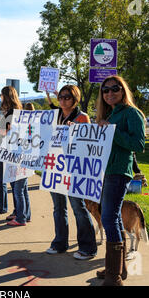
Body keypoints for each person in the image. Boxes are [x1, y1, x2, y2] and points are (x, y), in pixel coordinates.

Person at [95, 75, 146, 286]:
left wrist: (112, 131)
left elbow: (138, 144)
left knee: (107, 218)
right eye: (105, 90)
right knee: (113, 217)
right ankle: (117, 269)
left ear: (123, 89)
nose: (109, 93)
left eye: (114, 88)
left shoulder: (131, 113)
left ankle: (113, 276)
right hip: (105, 171)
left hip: (119, 172)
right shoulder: (111, 114)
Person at [44, 85, 97, 260]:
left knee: (78, 207)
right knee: (58, 207)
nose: (63, 100)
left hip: (74, 169)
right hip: (55, 167)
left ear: (75, 99)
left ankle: (88, 247)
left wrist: (76, 131)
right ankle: (60, 243)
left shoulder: (82, 117)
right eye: (61, 97)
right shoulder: (54, 116)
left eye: (67, 97)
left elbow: (89, 145)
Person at [0, 86, 23, 218]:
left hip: (7, 150)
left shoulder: (12, 112)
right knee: (7, 181)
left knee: (7, 181)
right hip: (6, 149)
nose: (0, 97)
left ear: (6, 96)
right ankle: (10, 208)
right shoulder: (14, 111)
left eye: (1, 95)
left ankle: (12, 209)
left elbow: (7, 132)